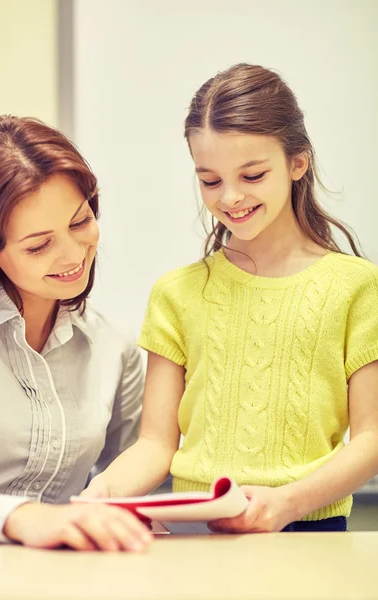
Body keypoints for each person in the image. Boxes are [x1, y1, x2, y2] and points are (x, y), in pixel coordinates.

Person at [83, 64, 378, 533]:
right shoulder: (176, 293)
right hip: (195, 532)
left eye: (253, 174)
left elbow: (371, 439)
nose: (231, 197)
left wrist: (286, 503)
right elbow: (156, 445)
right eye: (210, 180)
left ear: (297, 163)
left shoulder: (356, 287)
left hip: (307, 532)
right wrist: (102, 494)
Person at [0, 115, 152, 551]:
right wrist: (20, 518)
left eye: (80, 223)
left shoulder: (114, 348)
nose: (74, 254)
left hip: (66, 577)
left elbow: (129, 480)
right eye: (39, 245)